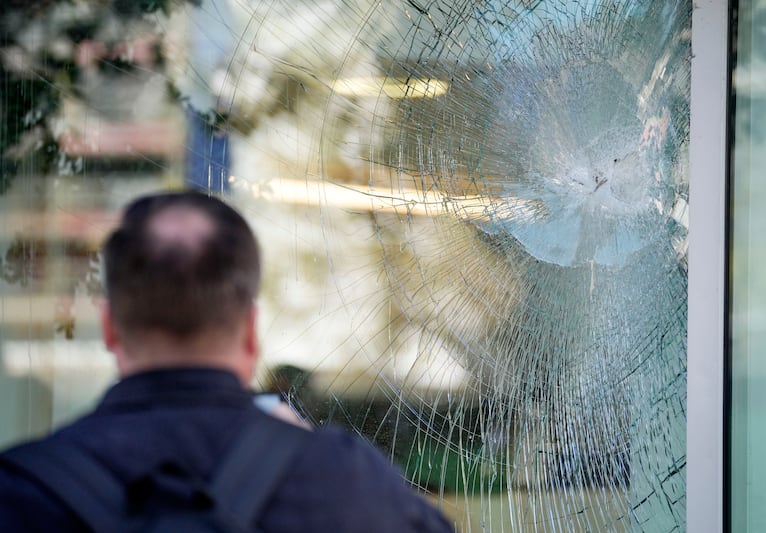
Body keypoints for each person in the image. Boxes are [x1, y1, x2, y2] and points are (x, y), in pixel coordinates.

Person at [0, 191, 454, 532]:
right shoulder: (344, 482)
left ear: (110, 327)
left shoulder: (20, 491)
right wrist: (306, 454)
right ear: (252, 331)